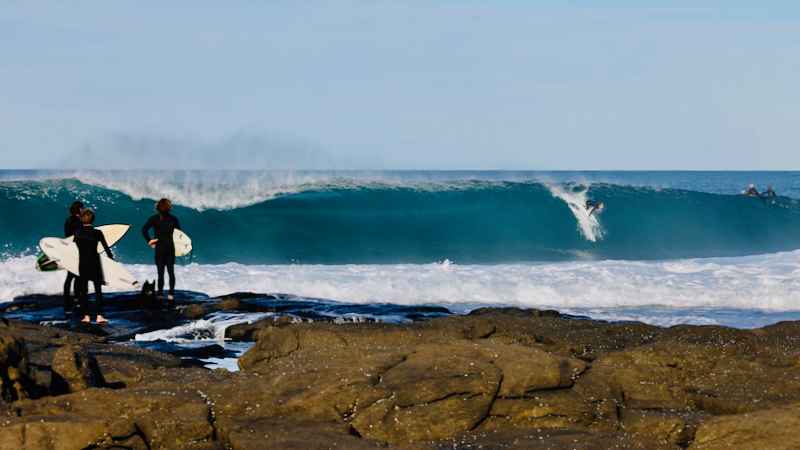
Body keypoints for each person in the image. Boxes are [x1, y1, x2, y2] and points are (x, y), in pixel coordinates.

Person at [74, 208, 112, 324]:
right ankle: (99, 316)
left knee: (84, 290)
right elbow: (107, 249)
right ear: (93, 219)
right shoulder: (97, 233)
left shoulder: (77, 232)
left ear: (82, 219)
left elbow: (75, 245)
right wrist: (111, 260)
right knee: (98, 290)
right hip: (94, 263)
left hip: (83, 264)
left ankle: (86, 316)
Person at [141, 198, 181, 300]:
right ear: (169, 207)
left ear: (158, 207)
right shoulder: (174, 219)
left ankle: (159, 295)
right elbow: (179, 234)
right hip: (171, 248)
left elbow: (144, 230)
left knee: (160, 273)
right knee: (171, 272)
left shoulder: (155, 218)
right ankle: (171, 295)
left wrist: (150, 240)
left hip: (160, 248)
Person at [62, 201, 84, 313]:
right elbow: (79, 238)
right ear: (80, 210)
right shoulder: (78, 223)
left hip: (68, 250)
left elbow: (67, 237)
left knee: (69, 277)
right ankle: (76, 300)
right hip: (76, 251)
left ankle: (66, 301)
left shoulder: (68, 220)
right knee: (77, 276)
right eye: (82, 209)